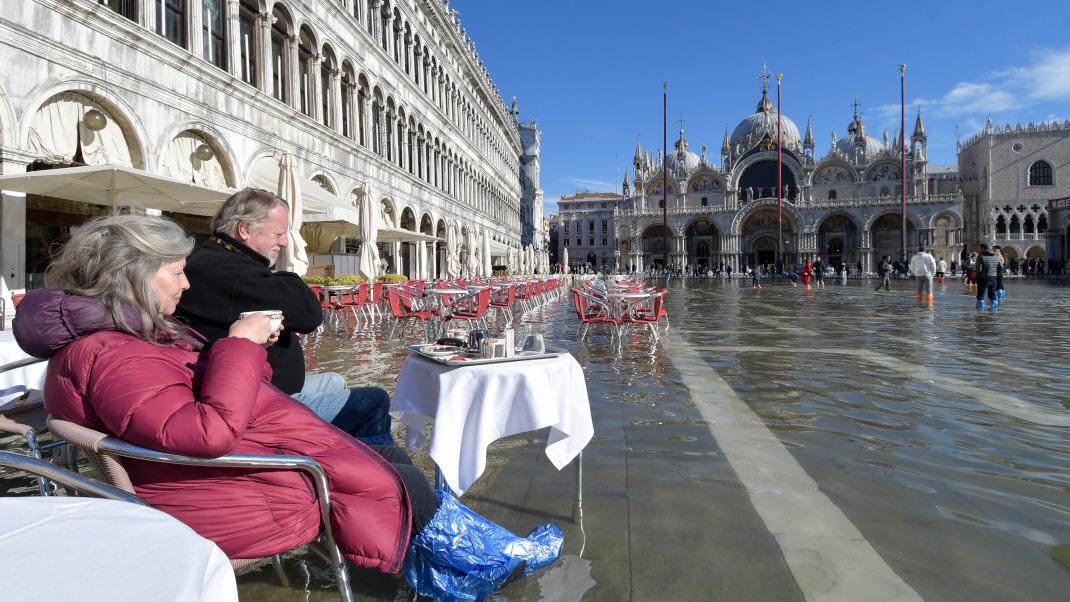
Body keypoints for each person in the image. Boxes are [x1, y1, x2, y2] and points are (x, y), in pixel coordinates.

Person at [13, 215, 560, 599]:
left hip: (224, 471)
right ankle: (478, 565)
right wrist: (240, 343)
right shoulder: (111, 353)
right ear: (131, 275)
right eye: (175, 271)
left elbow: (202, 401)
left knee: (381, 462)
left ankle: (451, 560)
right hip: (231, 494)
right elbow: (206, 434)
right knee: (388, 474)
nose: (185, 282)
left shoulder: (122, 338)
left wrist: (244, 353)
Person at [175, 189, 393, 445]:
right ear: (244, 229)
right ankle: (377, 468)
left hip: (268, 387)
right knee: (375, 400)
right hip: (263, 402)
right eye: (278, 234)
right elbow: (308, 314)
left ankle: (334, 451)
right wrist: (284, 272)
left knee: (336, 380)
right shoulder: (229, 271)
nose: (285, 243)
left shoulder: (217, 260)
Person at [974, 243, 1001, 310]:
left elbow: (977, 269)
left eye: (980, 248)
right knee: (992, 295)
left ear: (983, 248)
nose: (979, 250)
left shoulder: (980, 256)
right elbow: (1000, 267)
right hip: (993, 278)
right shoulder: (996, 256)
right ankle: (994, 312)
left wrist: (977, 277)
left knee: (981, 295)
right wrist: (996, 274)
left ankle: (980, 313)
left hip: (983, 278)